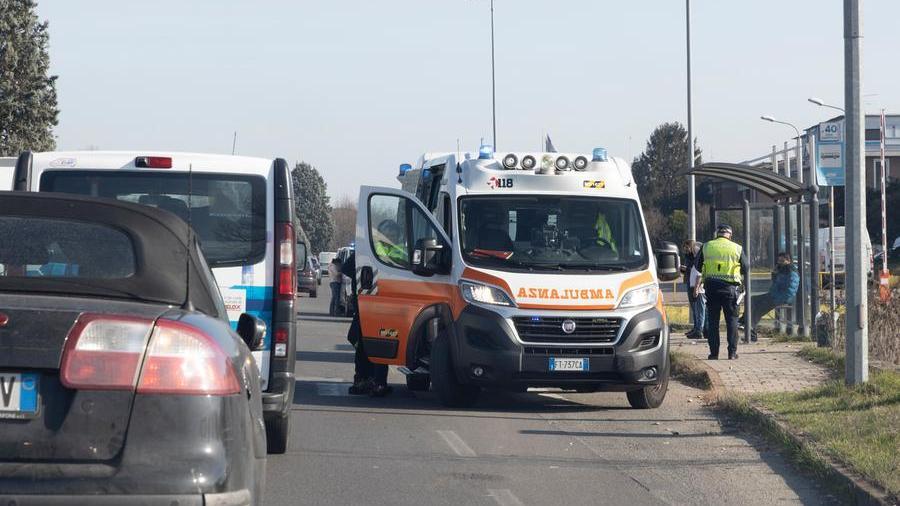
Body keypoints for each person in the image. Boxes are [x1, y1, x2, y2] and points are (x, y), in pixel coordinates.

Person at [695, 224, 748, 360]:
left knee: (713, 323)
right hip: (730, 290)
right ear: (730, 235)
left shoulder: (707, 246)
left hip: (712, 288)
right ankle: (732, 353)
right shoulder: (737, 248)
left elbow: (697, 265)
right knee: (732, 321)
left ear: (717, 234)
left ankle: (714, 354)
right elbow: (746, 267)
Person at [343, 250, 391, 397]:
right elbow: (346, 268)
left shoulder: (367, 252)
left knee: (364, 343)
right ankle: (375, 382)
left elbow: (346, 268)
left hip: (367, 304)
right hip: (375, 305)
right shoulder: (382, 252)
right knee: (379, 343)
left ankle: (365, 380)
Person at [739, 252, 799, 341]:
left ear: (788, 261)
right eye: (779, 261)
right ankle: (744, 322)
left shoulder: (791, 271)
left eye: (782, 261)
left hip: (782, 297)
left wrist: (777, 296)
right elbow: (776, 285)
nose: (779, 263)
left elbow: (790, 289)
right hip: (773, 295)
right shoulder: (781, 270)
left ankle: (749, 330)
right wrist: (774, 275)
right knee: (752, 300)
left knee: (759, 309)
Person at [681, 240, 705, 339]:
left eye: (687, 247)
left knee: (699, 308)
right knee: (695, 307)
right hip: (691, 282)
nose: (685, 250)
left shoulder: (698, 259)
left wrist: (687, 269)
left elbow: (699, 273)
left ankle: (699, 329)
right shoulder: (688, 257)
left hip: (697, 285)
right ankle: (696, 328)